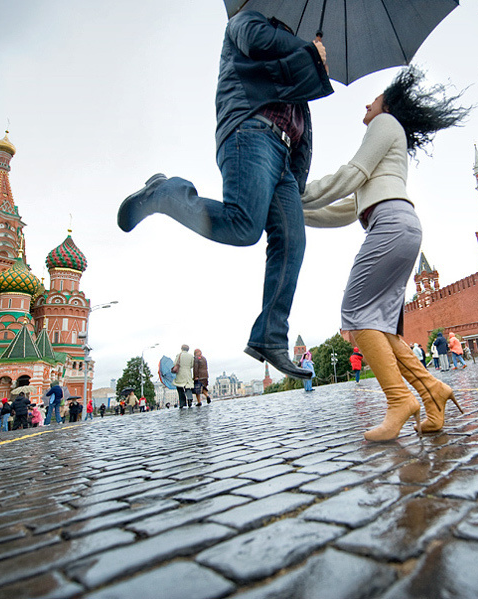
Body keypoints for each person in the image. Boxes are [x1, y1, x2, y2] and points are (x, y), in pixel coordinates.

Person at [117, 9, 333, 381]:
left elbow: (305, 132)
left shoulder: (294, 65)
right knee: (244, 225)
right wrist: (309, 51)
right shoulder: (247, 21)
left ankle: (269, 336)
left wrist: (295, 181)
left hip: (284, 160)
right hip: (250, 133)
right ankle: (165, 193)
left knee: (293, 241)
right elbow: (257, 40)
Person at [301, 67, 467, 441]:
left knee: (355, 314)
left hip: (391, 224)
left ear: (387, 106)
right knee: (379, 324)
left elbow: (350, 173)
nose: (367, 104)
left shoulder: (385, 123)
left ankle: (400, 400)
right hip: (397, 223)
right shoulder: (386, 149)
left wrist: (297, 191)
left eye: (373, 100)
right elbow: (345, 209)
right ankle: (432, 392)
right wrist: (294, 212)